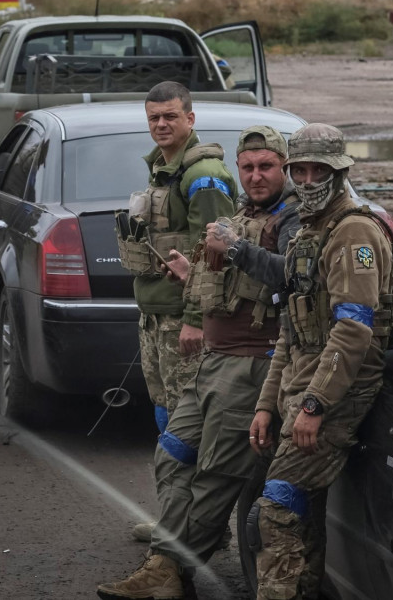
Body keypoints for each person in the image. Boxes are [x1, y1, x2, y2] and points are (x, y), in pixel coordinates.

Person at [98, 126, 300, 600]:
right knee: (174, 452)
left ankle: (169, 567)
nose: (255, 176)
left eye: (266, 166)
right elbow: (229, 287)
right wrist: (191, 277)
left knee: (215, 477)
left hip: (253, 364)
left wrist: (235, 249)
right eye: (247, 167)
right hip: (213, 360)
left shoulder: (293, 219)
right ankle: (166, 557)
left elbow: (293, 276)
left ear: (284, 168)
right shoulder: (244, 214)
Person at [247, 123, 393, 600]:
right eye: (301, 171)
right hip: (301, 387)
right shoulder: (306, 232)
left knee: (277, 511)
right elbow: (291, 331)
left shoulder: (353, 231)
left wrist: (315, 405)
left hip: (337, 393)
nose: (309, 181)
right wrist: (267, 404)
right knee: (304, 518)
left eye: (320, 171)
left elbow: (353, 330)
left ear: (340, 173)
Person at [115, 82, 237, 528]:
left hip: (182, 323)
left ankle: (197, 528)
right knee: (167, 418)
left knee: (190, 427)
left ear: (190, 118)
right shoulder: (163, 169)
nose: (161, 124)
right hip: (156, 319)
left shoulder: (202, 176)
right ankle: (174, 519)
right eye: (154, 118)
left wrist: (195, 319)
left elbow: (215, 254)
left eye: (170, 116)